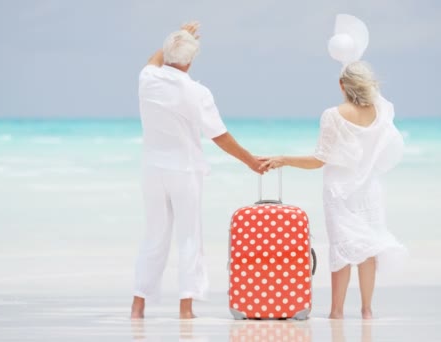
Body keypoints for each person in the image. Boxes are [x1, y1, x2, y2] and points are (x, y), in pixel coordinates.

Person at [131, 21, 265, 319]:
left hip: (152, 170)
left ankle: (138, 306)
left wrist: (180, 34)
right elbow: (220, 136)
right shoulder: (197, 92)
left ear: (167, 54)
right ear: (190, 60)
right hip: (184, 171)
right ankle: (186, 307)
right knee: (189, 237)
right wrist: (250, 161)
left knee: (153, 235)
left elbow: (154, 59)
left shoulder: (148, 78)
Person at [260, 61, 407, 319]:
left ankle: (336, 311)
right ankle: (367, 310)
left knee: (341, 250)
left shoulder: (333, 115)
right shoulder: (380, 111)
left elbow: (319, 160)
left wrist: (283, 158)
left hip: (340, 192)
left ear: (342, 86)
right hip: (370, 190)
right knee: (368, 250)